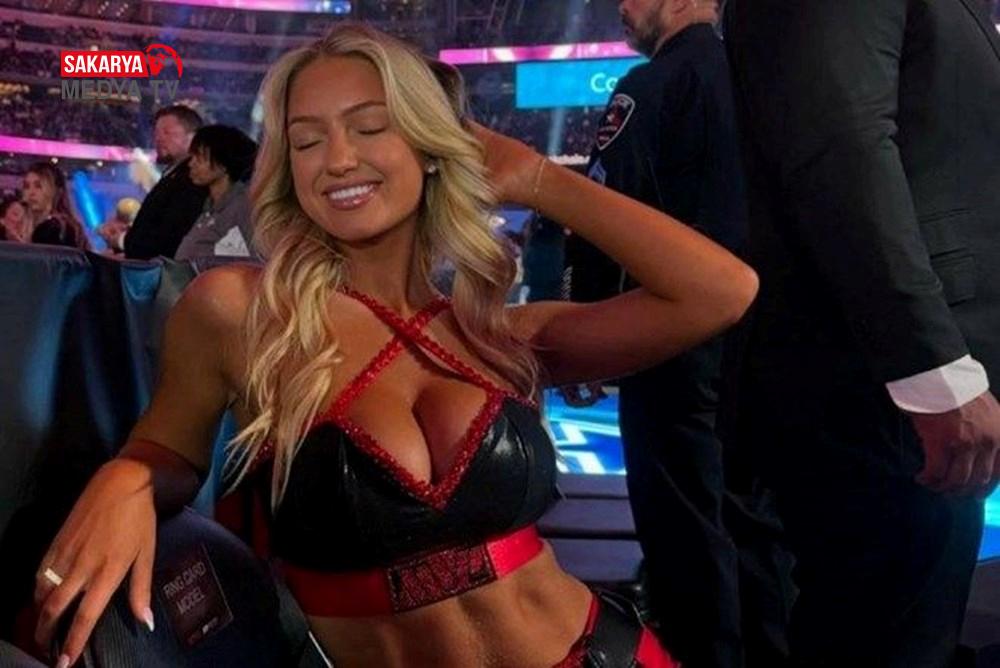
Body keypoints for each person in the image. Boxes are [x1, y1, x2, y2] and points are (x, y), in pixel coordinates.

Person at [33, 24, 757, 668]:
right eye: (307, 140)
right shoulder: (244, 311)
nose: (338, 159)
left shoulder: (495, 334)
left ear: (429, 145)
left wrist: (538, 178)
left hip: (602, 651)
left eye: (371, 127)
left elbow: (722, 291)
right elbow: (167, 450)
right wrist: (128, 477)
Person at [723, 0, 1000, 665]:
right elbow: (838, 151)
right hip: (879, 382)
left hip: (893, 376)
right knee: (889, 637)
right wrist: (931, 371)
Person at [564, 2, 781, 666]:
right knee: (757, 524)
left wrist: (586, 333)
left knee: (682, 523)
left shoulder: (650, 85)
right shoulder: (767, 78)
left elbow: (602, 214)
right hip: (766, 346)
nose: (623, 10)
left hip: (673, 344)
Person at [103, 105, 208, 259]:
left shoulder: (192, 180)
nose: (158, 138)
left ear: (192, 137)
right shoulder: (173, 175)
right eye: (156, 132)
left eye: (167, 132)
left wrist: (121, 241)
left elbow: (170, 235)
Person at [174, 124, 258, 261]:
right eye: (192, 156)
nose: (191, 164)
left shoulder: (243, 207)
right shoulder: (209, 207)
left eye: (200, 158)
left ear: (223, 164)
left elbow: (255, 259)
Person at [22, 162, 90, 251]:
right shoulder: (68, 224)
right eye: (26, 186)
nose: (31, 193)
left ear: (56, 191)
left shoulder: (52, 229)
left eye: (38, 186)